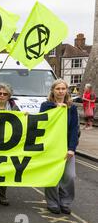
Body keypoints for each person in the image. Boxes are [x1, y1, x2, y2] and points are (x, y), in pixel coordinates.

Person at [39, 79, 78, 215]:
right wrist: (55, 110)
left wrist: (72, 148)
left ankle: (65, 202)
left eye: (63, 89)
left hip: (66, 148)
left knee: (70, 176)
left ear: (66, 90)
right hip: (51, 147)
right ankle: (52, 202)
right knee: (52, 176)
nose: (61, 91)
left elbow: (74, 129)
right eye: (58, 89)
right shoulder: (46, 105)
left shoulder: (72, 108)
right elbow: (41, 124)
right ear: (53, 90)